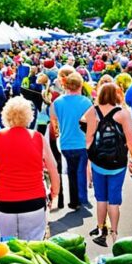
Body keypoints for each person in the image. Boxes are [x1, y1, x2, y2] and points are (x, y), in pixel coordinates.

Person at [0, 97, 61, 240]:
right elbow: (53, 167)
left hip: (4, 201)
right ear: (29, 116)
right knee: (33, 247)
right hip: (33, 201)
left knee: (6, 247)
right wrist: (55, 192)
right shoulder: (37, 137)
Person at [84, 83, 132, 246]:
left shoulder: (93, 111)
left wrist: (89, 158)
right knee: (114, 200)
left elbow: (88, 138)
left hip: (98, 161)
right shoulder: (123, 113)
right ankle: (115, 232)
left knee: (101, 197)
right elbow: (130, 140)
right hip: (118, 162)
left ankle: (101, 229)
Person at [51, 71, 93, 209]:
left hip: (65, 142)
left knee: (71, 171)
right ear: (80, 85)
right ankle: (82, 198)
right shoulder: (86, 102)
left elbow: (53, 119)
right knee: (81, 170)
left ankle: (74, 200)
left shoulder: (57, 102)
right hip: (82, 141)